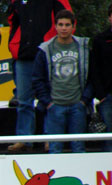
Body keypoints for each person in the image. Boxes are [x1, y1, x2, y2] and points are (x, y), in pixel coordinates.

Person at [6, 0, 72, 153]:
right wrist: (14, 45)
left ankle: (50, 138)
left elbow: (68, 19)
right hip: (24, 54)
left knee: (50, 98)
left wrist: (59, 45)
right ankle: (24, 138)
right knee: (23, 100)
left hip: (49, 54)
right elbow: (12, 22)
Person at [32, 9, 91, 154]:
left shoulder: (83, 47)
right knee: (55, 149)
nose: (64, 28)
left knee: (79, 148)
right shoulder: (45, 49)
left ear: (73, 26)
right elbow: (37, 78)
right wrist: (48, 102)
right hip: (55, 105)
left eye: (67, 25)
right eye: (60, 24)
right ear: (55, 26)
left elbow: (92, 75)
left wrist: (84, 100)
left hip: (77, 105)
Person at [91, 2, 112, 152]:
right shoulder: (100, 40)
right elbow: (94, 69)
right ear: (109, 17)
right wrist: (101, 95)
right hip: (108, 96)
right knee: (109, 136)